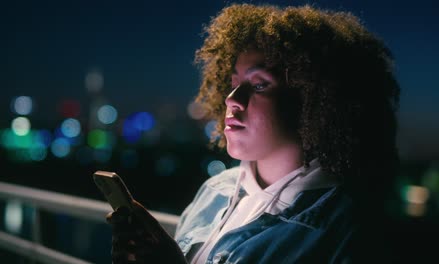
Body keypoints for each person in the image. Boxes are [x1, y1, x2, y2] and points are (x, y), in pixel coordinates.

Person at [106, 3, 400, 263]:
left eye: (259, 84)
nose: (231, 98)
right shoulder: (215, 191)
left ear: (315, 100)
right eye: (233, 83)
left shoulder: (342, 229)